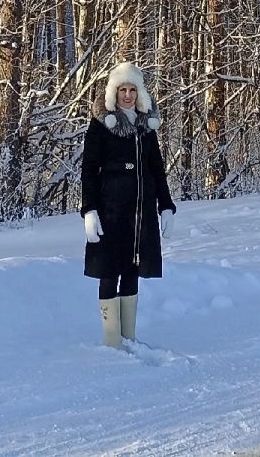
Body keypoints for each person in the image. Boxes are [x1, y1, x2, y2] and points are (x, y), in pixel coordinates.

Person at [80, 61, 177, 348]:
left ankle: (129, 337)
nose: (127, 95)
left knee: (132, 269)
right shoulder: (100, 125)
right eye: (122, 89)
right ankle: (112, 342)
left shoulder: (146, 126)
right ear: (113, 92)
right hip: (110, 210)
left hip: (140, 211)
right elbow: (88, 169)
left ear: (139, 93)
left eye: (132, 90)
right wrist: (89, 210)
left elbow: (157, 169)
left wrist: (166, 206)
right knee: (109, 270)